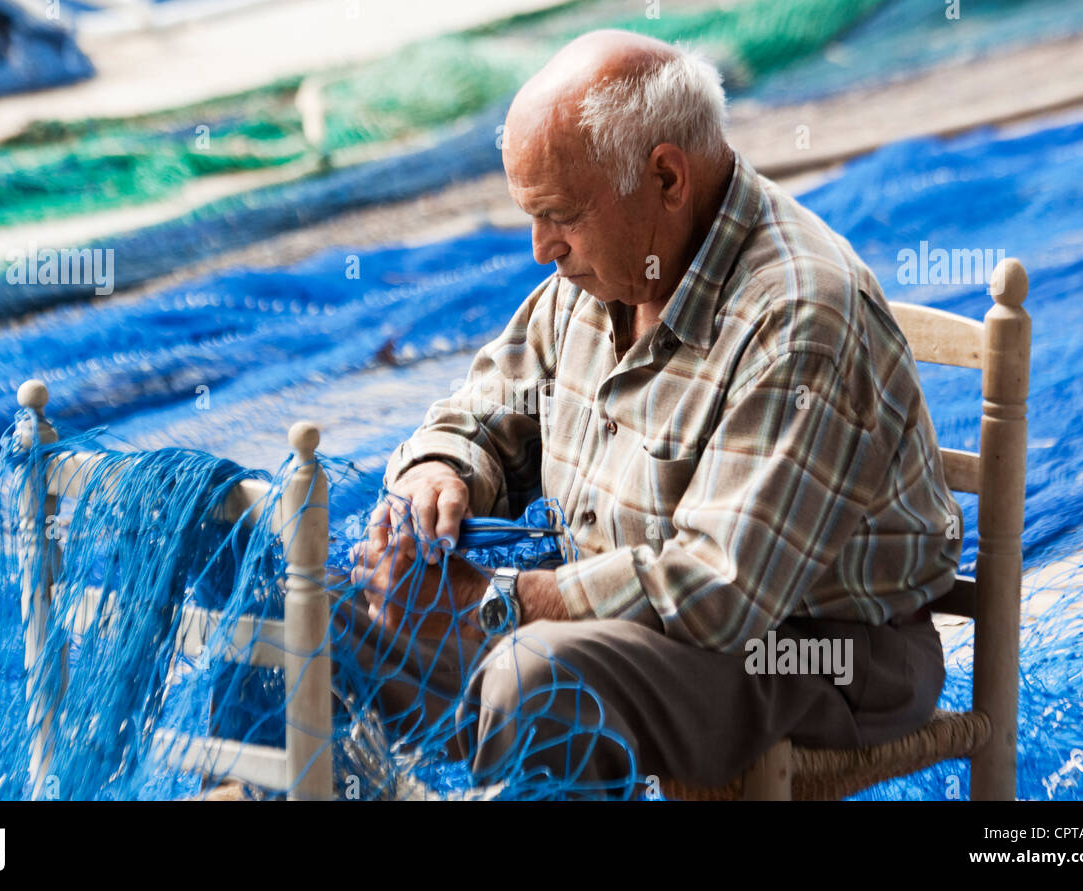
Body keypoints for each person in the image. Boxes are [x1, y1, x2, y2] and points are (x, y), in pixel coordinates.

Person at [346, 29, 961, 797]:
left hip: (808, 652)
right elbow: (482, 416)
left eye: (559, 214)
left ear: (667, 176)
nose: (542, 249)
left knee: (537, 679)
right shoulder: (602, 273)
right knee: (327, 614)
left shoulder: (802, 318)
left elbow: (719, 589)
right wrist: (440, 470)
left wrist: (493, 603)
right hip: (630, 630)